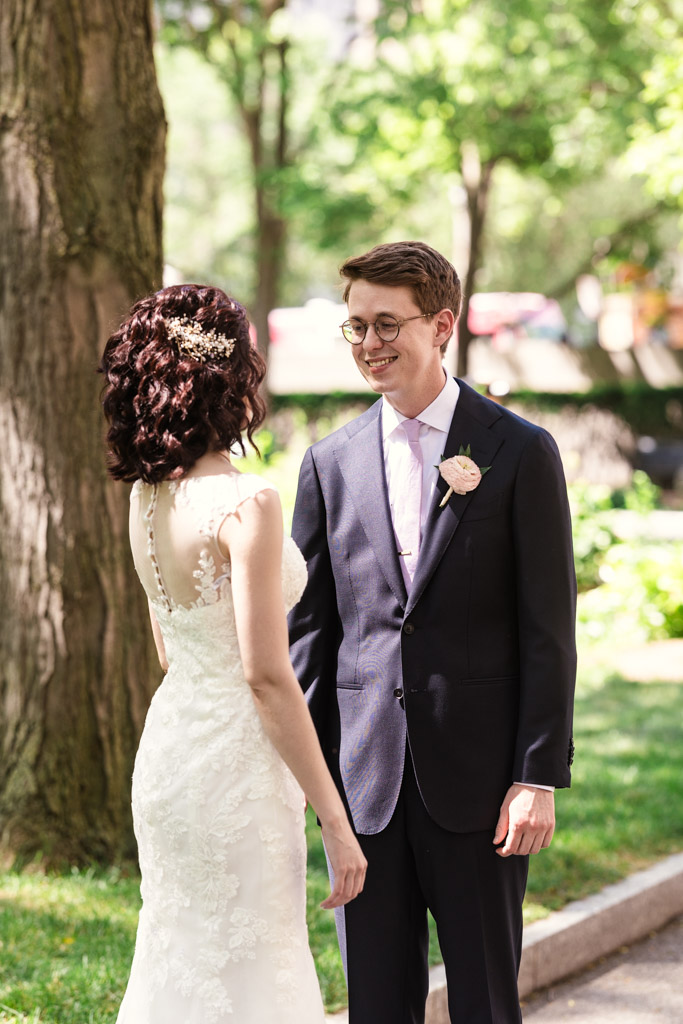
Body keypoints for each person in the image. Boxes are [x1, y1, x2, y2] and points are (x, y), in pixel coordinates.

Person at [288, 241, 576, 1024]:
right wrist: (310, 789)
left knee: (484, 1003)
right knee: (376, 1008)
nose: (369, 344)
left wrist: (536, 774)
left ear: (440, 324)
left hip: (482, 789)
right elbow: (310, 641)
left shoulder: (519, 451)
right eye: (354, 327)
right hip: (363, 791)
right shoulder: (327, 463)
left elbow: (548, 628)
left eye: (387, 324)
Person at [100, 284, 366, 1024]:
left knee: (177, 952)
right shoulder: (246, 503)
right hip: (236, 769)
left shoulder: (145, 499)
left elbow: (168, 646)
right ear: (228, 375)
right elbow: (265, 676)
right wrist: (334, 822)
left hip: (171, 753)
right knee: (253, 968)